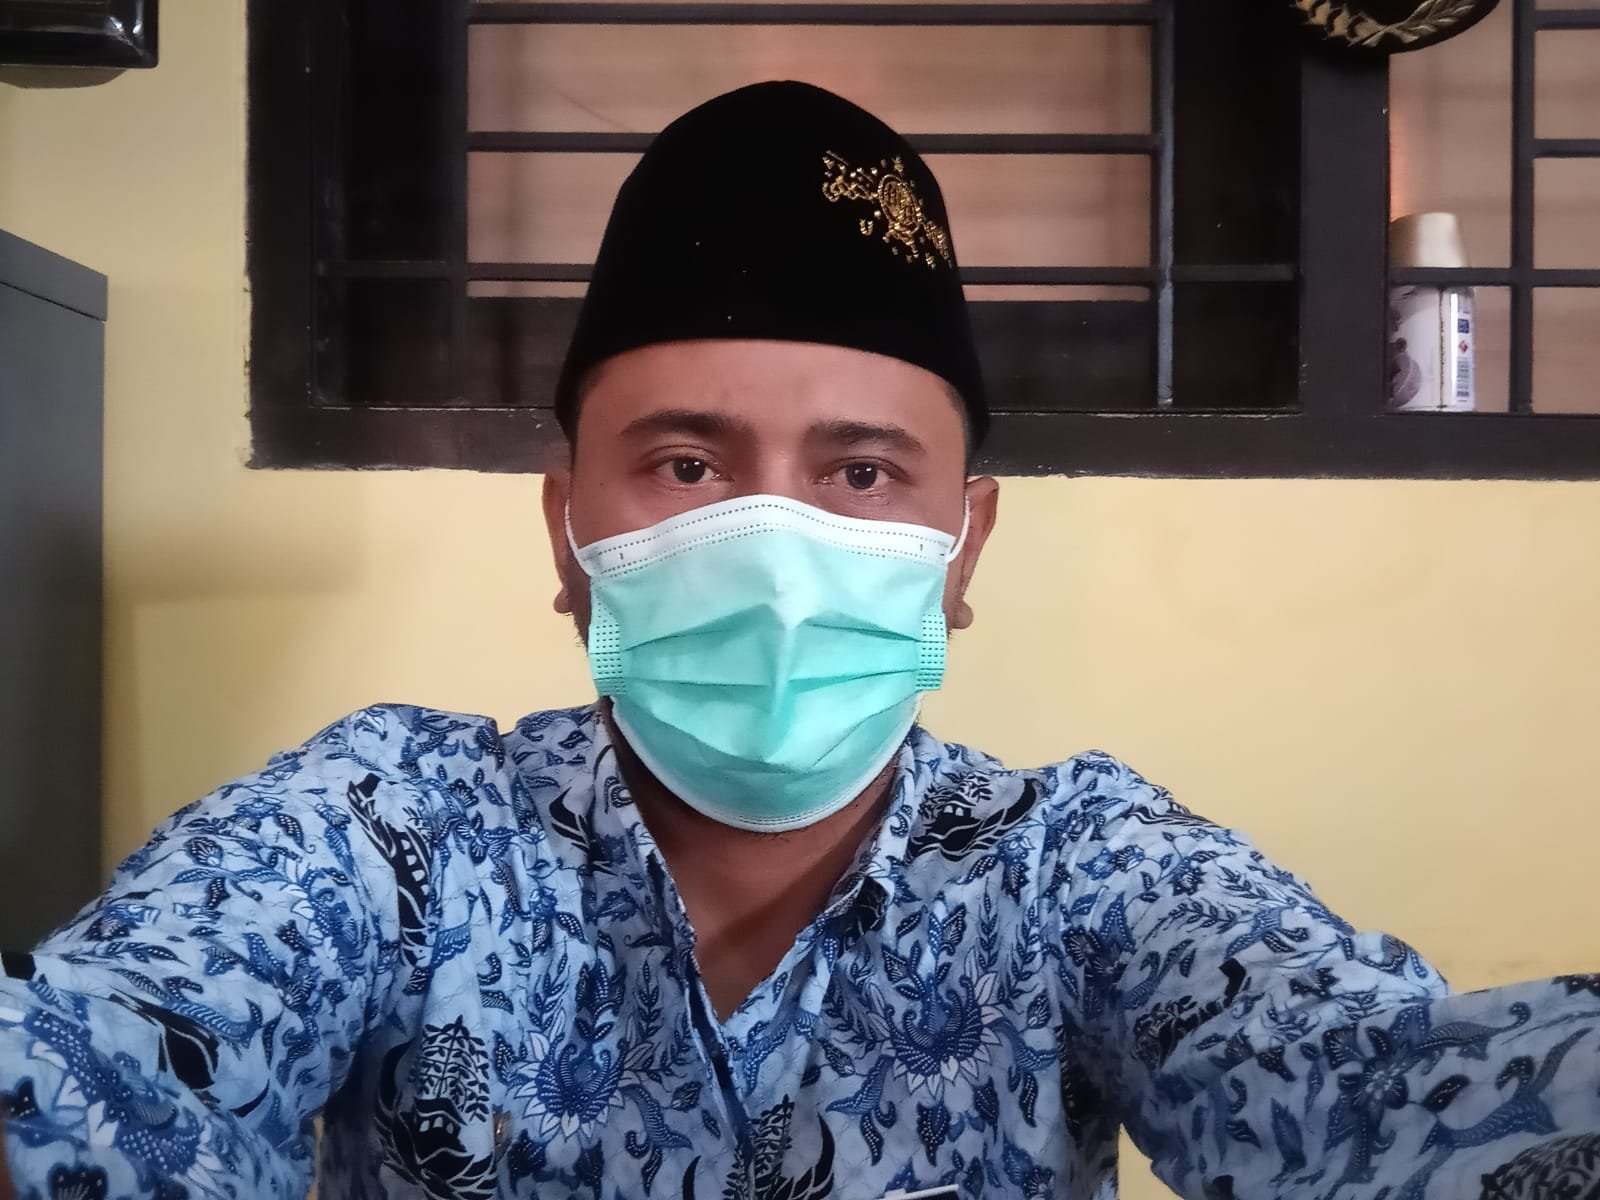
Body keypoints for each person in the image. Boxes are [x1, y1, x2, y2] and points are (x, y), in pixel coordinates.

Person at [2, 81, 1597, 1200]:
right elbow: (105, 1059)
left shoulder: (1084, 873)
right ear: (567, 530)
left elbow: (1384, 1085)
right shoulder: (389, 832)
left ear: (964, 546)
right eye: (689, 465)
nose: (775, 551)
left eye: (862, 473)